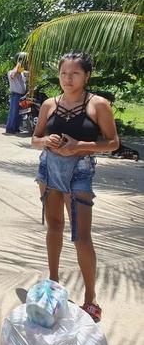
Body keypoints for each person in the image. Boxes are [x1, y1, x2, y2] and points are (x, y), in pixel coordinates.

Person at [31, 53, 119, 323]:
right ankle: (53, 284)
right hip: (49, 169)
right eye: (63, 73)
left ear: (87, 76)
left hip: (80, 172)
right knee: (54, 226)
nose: (68, 79)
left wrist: (79, 146)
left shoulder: (98, 105)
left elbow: (114, 143)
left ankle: (90, 299)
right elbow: (35, 140)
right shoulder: (49, 104)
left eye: (75, 73)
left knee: (81, 235)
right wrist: (47, 140)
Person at [6, 52, 29, 134]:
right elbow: (14, 73)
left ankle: (16, 128)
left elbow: (30, 71)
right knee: (14, 112)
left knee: (20, 114)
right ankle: (10, 129)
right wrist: (19, 63)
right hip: (16, 96)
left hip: (22, 96)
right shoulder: (11, 72)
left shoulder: (22, 73)